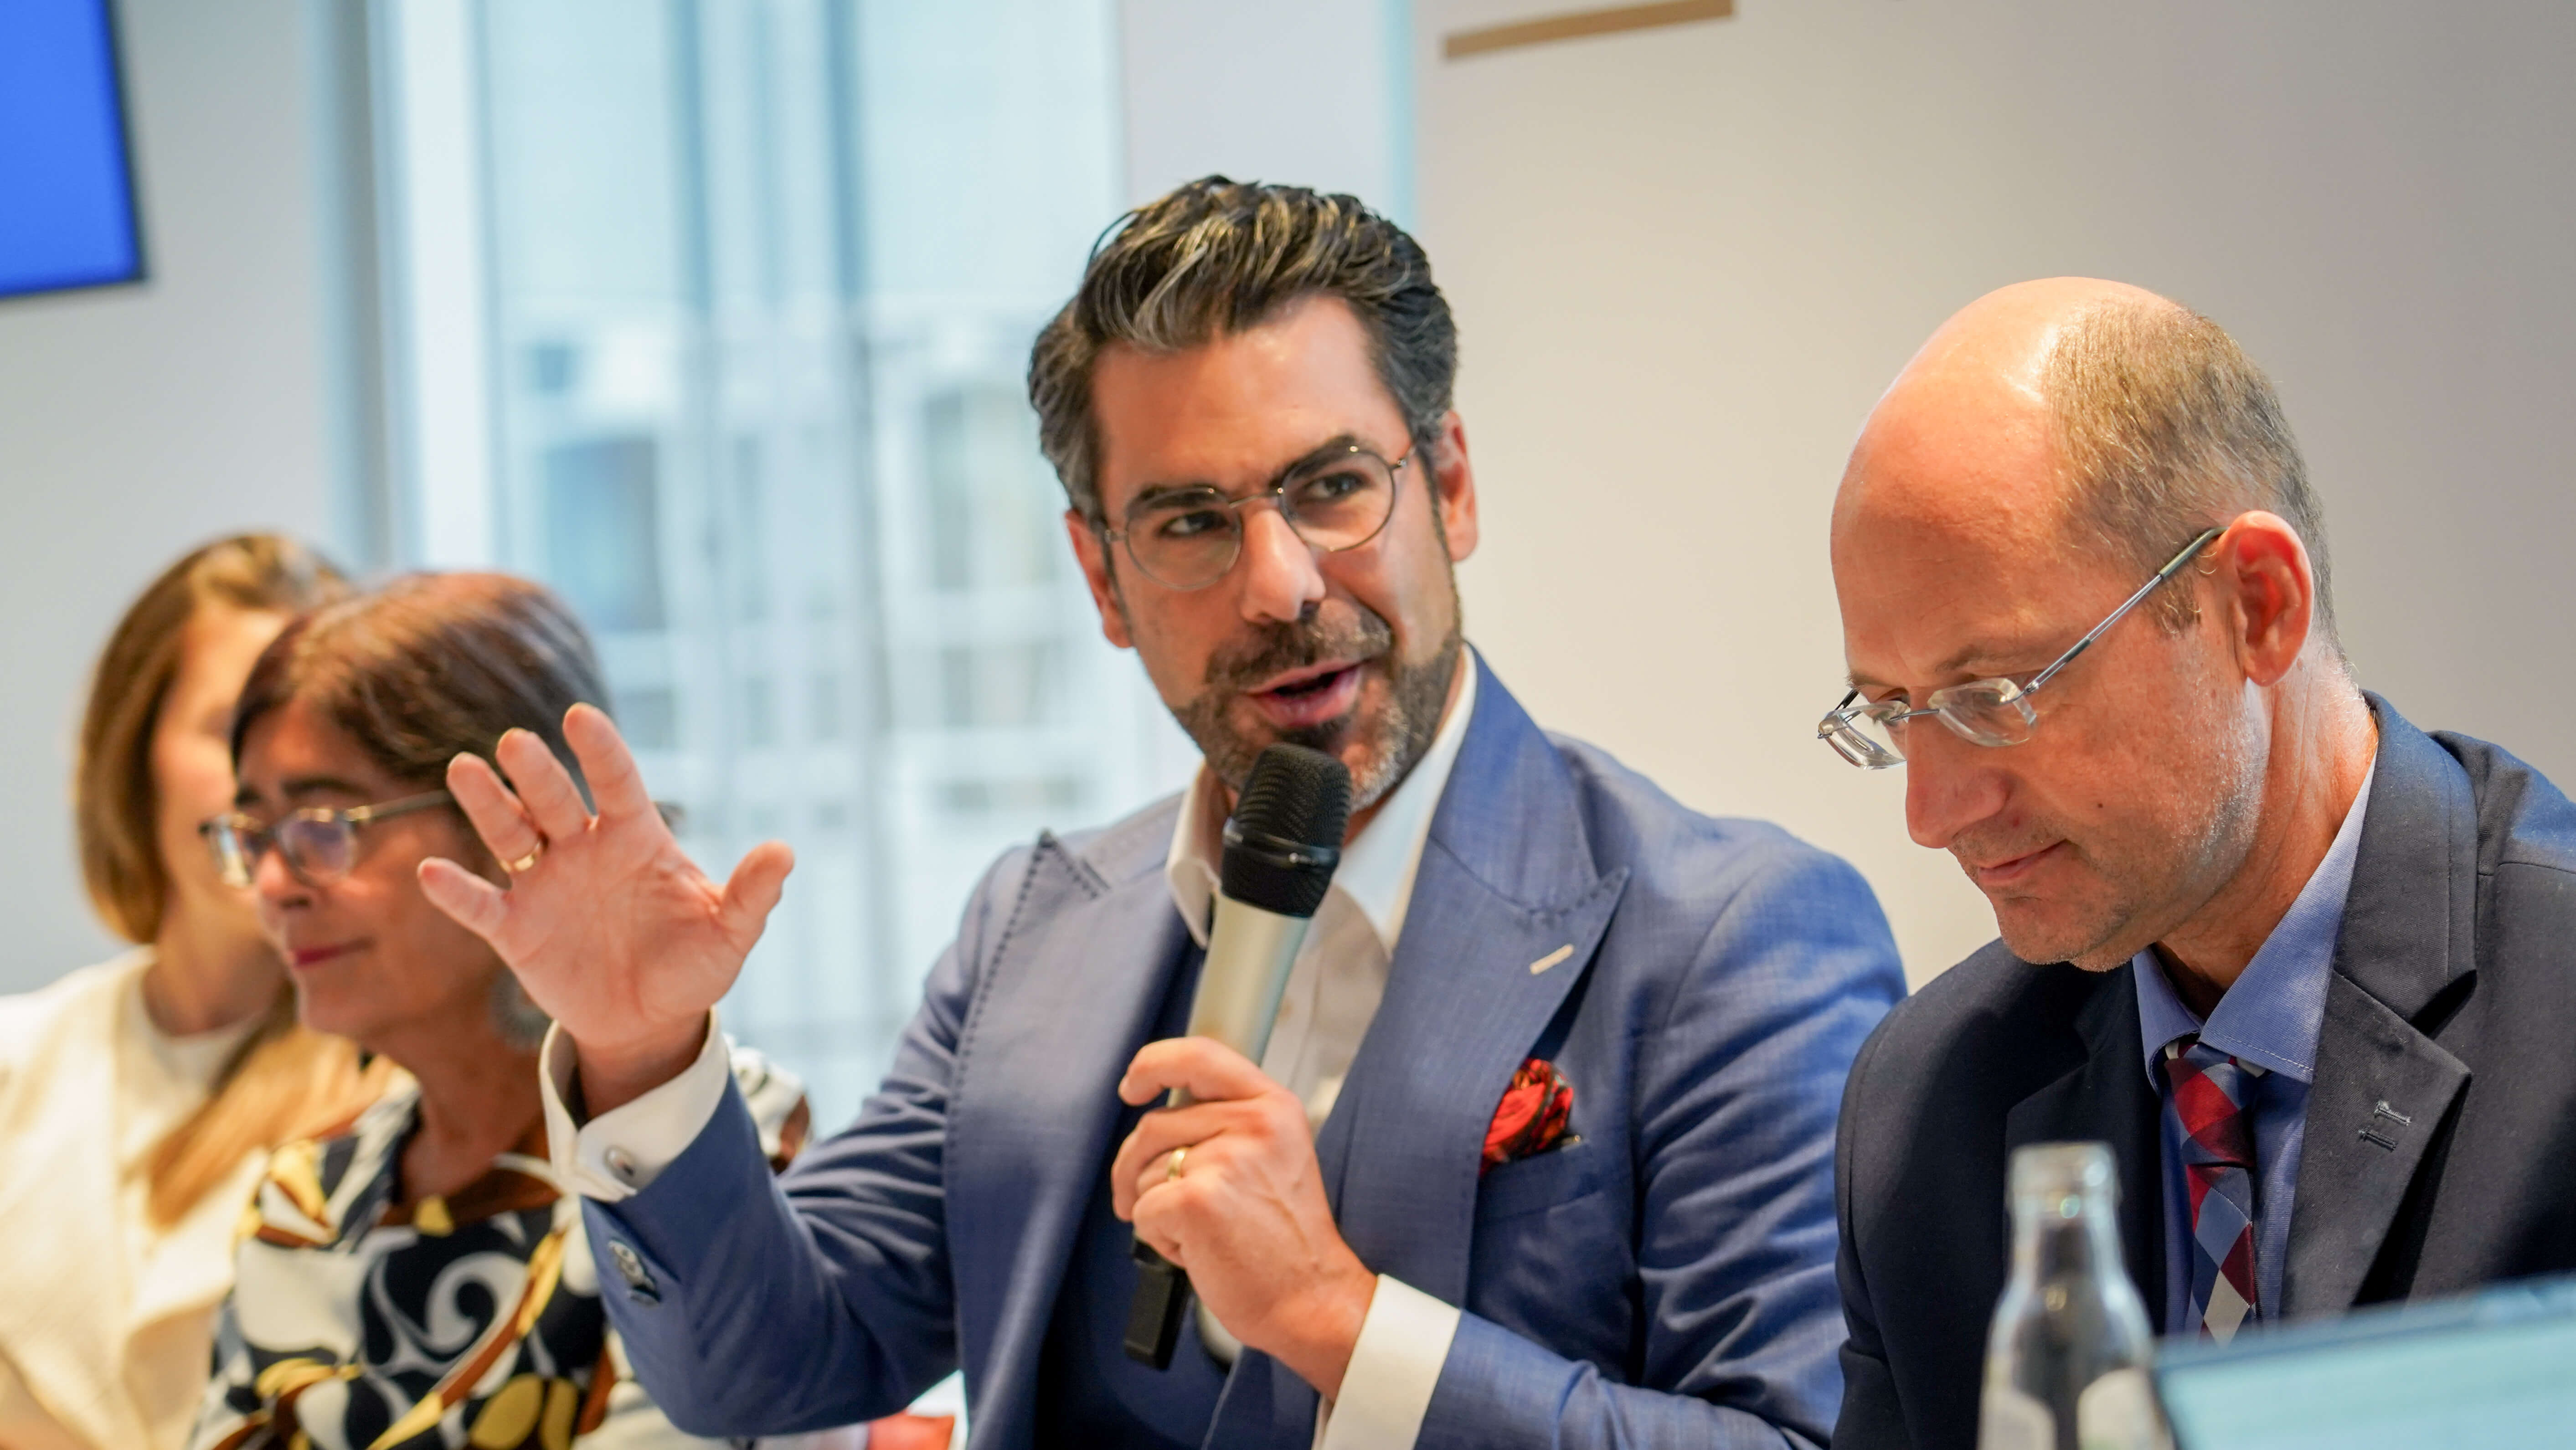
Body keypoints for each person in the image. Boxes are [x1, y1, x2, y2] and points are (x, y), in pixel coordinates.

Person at [414, 177, 1906, 1450]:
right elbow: (768, 1363)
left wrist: (1336, 1320)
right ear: (1100, 576)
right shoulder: (1033, 924)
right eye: (1191, 523)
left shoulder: (1726, 936)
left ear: (1448, 487)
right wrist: (637, 1051)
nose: (1281, 589)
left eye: (1333, 486)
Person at [1822, 279, 2576, 1450]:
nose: (1932, 810)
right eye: (1892, 709)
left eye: (1995, 695)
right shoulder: (1931, 1108)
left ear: (2255, 608)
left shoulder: (2559, 1003)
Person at [184, 573, 821, 1450]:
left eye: (326, 825)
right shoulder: (309, 1199)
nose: (270, 887)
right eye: (253, 833)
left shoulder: (715, 1145)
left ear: (514, 827)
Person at [0, 535, 384, 1450]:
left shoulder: (409, 1091)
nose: (279, 784)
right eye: (234, 729)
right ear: (136, 753)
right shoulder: (17, 1057)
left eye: (325, 739)